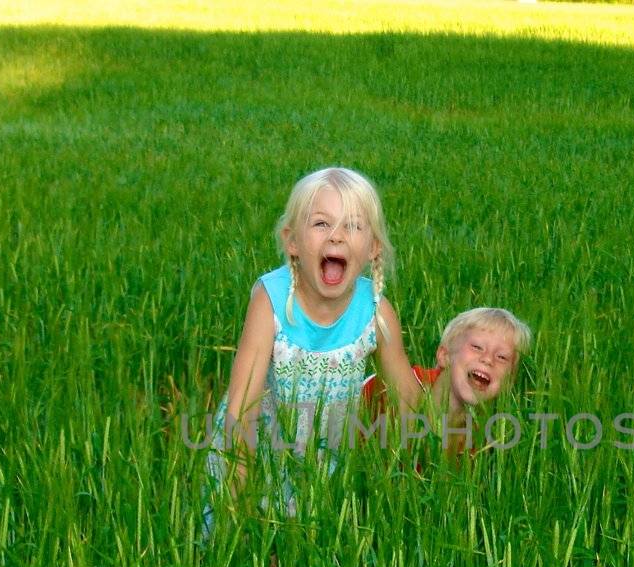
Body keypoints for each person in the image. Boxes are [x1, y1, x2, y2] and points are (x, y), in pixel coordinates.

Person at [204, 166, 418, 533]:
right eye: (321, 224)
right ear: (292, 241)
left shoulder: (376, 311)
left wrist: (418, 458)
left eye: (352, 226)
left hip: (324, 456)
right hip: (257, 444)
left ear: (373, 247)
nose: (336, 237)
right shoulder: (271, 301)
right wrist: (237, 489)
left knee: (306, 550)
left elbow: (408, 398)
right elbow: (242, 406)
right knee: (233, 545)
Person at [362, 307, 532, 455]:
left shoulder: (479, 440)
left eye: (502, 357)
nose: (488, 359)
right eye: (477, 347)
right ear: (445, 356)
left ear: (509, 382)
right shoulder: (403, 385)